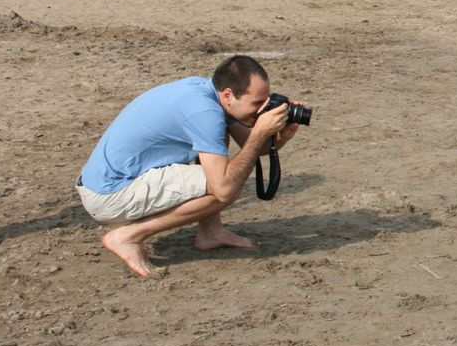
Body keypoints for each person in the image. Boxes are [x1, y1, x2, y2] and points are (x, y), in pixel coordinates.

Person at [77, 55, 304, 276]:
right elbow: (224, 186)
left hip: (103, 183)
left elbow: (254, 145)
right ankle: (128, 236)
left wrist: (280, 136)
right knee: (229, 185)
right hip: (109, 195)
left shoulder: (207, 93)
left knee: (223, 158)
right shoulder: (205, 112)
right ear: (228, 95)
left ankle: (211, 232)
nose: (262, 109)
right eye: (257, 103)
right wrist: (259, 134)